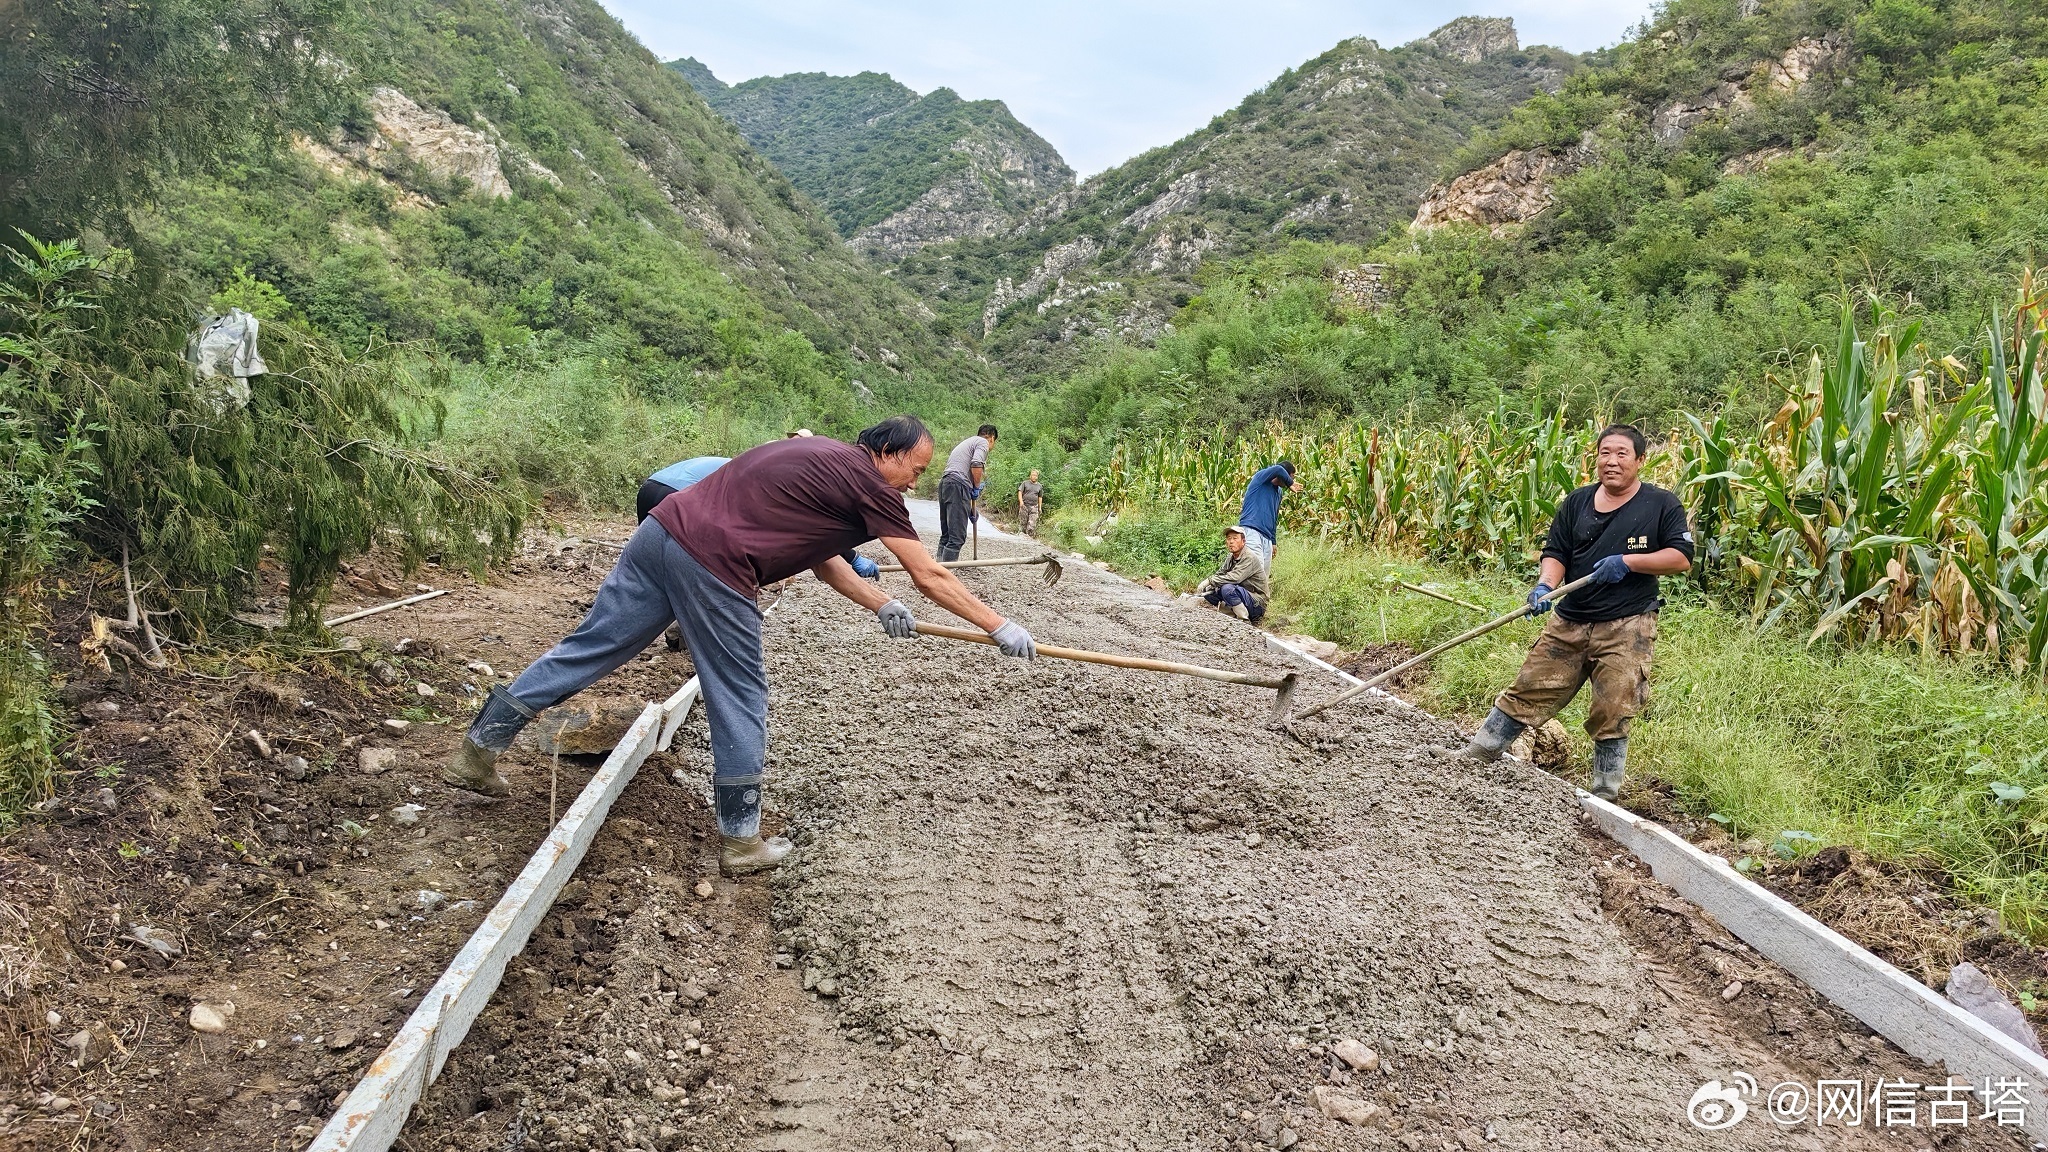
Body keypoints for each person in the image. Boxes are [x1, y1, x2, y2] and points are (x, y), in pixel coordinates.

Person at [443, 416, 1038, 876]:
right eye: (915, 468)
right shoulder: (871, 486)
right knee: (740, 689)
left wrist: (880, 604)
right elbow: (930, 574)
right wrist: (996, 624)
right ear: (886, 452)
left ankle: (477, 750)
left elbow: (821, 557)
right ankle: (741, 839)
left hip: (661, 533)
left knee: (593, 646)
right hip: (712, 560)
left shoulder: (820, 456)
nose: (918, 481)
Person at [1451, 424, 1693, 800]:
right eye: (1604, 453)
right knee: (1529, 687)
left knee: (1614, 705)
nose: (1611, 461)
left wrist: (1629, 562)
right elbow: (1557, 554)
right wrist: (1547, 585)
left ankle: (1605, 793)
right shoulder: (1577, 503)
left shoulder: (1660, 505)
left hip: (1628, 623)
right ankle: (1478, 754)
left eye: (1621, 454)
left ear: (1640, 460)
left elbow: (1680, 558)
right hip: (1571, 617)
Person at [640, 452, 879, 579]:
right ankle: (691, 626)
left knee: (654, 565)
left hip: (651, 486)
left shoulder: (759, 464)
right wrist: (853, 558)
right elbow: (807, 529)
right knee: (701, 567)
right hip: (680, 496)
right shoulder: (779, 482)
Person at [938, 424, 996, 562]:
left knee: (947, 535)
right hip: (958, 485)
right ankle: (945, 575)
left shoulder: (968, 442)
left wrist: (969, 508)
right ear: (992, 438)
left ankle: (937, 569)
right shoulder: (983, 442)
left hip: (946, 483)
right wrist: (976, 487)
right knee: (956, 537)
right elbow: (976, 464)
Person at [1237, 460, 1302, 570]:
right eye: (1291, 477)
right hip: (1251, 530)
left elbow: (1274, 517)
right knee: (1255, 570)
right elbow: (1278, 469)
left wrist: (1273, 541)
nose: (1292, 480)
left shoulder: (1279, 492)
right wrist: (1290, 483)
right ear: (1284, 474)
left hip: (1266, 536)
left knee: (1263, 576)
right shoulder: (1261, 479)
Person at [1195, 526, 1269, 622]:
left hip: (1257, 603)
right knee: (1209, 590)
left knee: (1227, 589)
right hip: (1242, 595)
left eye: (1235, 538)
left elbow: (1235, 578)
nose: (1231, 541)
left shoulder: (1249, 557)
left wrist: (1210, 580)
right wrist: (1209, 584)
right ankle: (1230, 615)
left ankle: (1244, 620)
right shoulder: (1231, 557)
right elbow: (1221, 573)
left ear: (1243, 541)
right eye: (1229, 538)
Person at [1016, 469, 1044, 536]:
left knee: (1032, 524)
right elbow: (1020, 492)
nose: (1034, 477)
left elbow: (1040, 497)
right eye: (1033, 475)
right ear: (1030, 476)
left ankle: (1029, 537)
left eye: (1036, 475)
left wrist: (1039, 507)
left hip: (1034, 507)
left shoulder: (1039, 486)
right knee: (1023, 523)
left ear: (1037, 477)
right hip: (1024, 505)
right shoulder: (1025, 483)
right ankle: (1021, 535)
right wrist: (1021, 501)